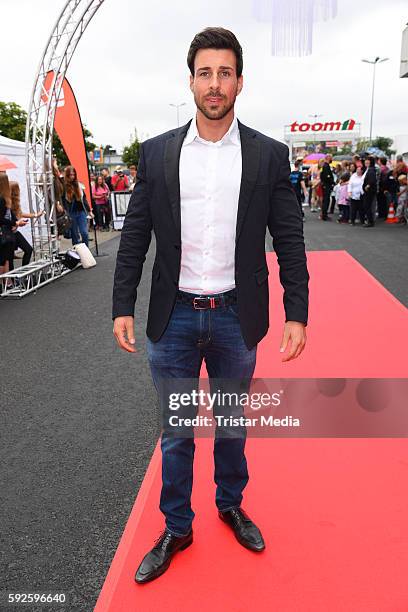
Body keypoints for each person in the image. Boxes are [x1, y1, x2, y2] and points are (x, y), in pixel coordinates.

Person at [112, 27, 309, 584]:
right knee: (176, 430)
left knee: (230, 423)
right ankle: (177, 525)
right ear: (191, 81)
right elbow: (134, 237)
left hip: (233, 317)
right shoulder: (157, 154)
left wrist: (298, 311)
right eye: (205, 73)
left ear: (240, 83)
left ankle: (230, 504)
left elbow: (289, 238)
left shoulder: (269, 156)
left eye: (225, 73)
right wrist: (121, 303)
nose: (215, 84)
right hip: (171, 317)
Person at [8, 181, 44, 270]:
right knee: (9, 258)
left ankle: (24, 271)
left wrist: (35, 215)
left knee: (28, 249)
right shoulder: (6, 203)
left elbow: (20, 214)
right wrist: (17, 223)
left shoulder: (14, 203)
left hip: (14, 232)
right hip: (8, 233)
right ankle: (12, 280)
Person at [0, 173, 29, 276]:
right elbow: (2, 219)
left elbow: (13, 216)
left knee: (7, 259)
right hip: (6, 233)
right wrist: (15, 223)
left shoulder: (6, 200)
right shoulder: (3, 200)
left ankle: (9, 281)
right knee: (5, 259)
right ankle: (7, 282)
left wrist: (16, 222)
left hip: (9, 232)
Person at [62, 165, 94, 246]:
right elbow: (62, 200)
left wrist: (89, 211)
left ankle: (86, 252)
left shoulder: (78, 185)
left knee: (84, 233)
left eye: (73, 174)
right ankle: (78, 253)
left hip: (81, 212)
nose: (72, 177)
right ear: (67, 175)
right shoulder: (64, 186)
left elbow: (84, 199)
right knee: (75, 236)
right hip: (71, 213)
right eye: (70, 175)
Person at [362, 156, 377, 227]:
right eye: (365, 161)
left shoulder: (371, 170)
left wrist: (368, 185)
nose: (366, 162)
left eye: (368, 161)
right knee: (367, 206)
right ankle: (369, 220)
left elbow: (372, 180)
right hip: (367, 191)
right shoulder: (368, 169)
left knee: (367, 206)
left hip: (369, 191)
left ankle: (370, 221)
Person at [320, 154, 335, 220]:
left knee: (325, 200)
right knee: (326, 200)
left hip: (325, 185)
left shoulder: (325, 166)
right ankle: (324, 215)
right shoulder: (326, 166)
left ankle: (324, 214)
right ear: (328, 158)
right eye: (331, 158)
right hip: (326, 185)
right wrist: (332, 182)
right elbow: (327, 176)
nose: (332, 159)